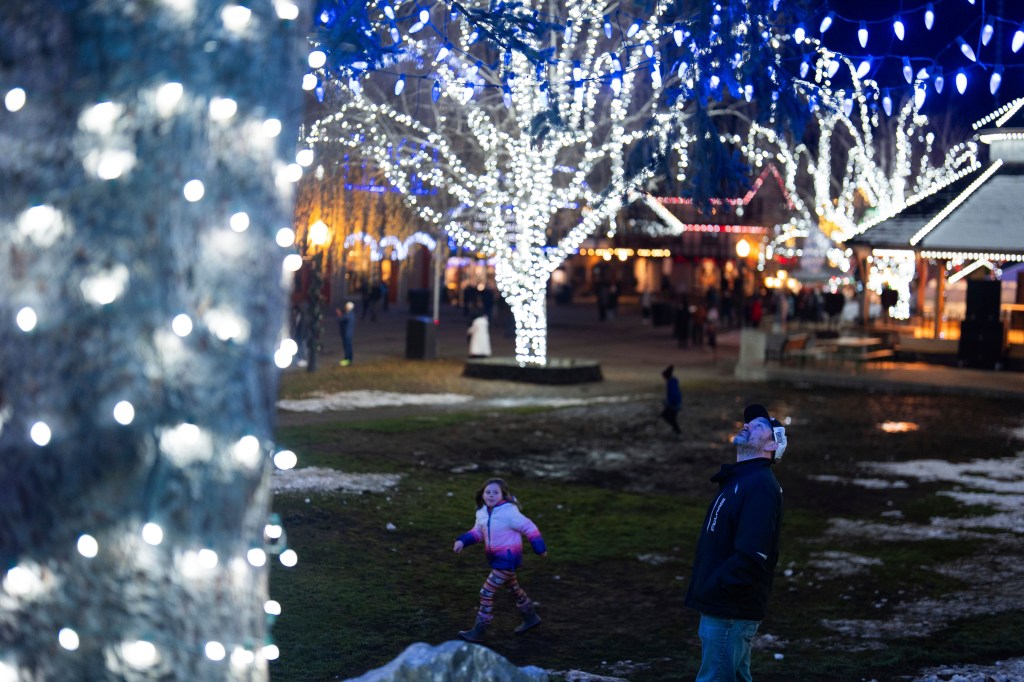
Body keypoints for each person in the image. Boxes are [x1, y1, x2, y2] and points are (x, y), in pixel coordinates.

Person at [685, 404, 787, 682]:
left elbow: (753, 553)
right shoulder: (741, 480)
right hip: (724, 605)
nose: (748, 424)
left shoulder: (760, 485)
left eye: (759, 425)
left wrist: (719, 588)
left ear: (772, 444)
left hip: (729, 608)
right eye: (749, 422)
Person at [453, 478, 547, 642]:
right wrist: (462, 541)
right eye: (488, 492)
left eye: (495, 492)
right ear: (482, 494)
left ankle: (480, 630)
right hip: (497, 559)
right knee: (513, 588)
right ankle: (531, 617)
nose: (491, 495)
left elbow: (529, 527)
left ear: (503, 495)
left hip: (507, 559)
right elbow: (478, 532)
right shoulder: (482, 513)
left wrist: (540, 548)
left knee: (486, 592)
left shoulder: (509, 513)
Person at [661, 365, 682, 435]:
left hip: (674, 404)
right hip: (677, 402)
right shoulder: (673, 381)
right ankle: (675, 431)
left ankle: (678, 431)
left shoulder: (670, 383)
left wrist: (668, 402)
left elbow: (673, 394)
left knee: (665, 415)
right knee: (673, 418)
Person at [335, 301, 355, 366]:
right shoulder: (352, 314)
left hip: (346, 333)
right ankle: (349, 359)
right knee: (349, 347)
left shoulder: (347, 315)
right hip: (349, 333)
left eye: (346, 307)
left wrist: (339, 313)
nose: (345, 308)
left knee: (347, 347)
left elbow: (339, 319)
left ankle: (347, 360)